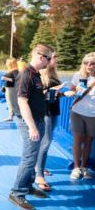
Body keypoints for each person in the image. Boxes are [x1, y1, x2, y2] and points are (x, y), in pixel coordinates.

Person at [8, 44, 53, 210]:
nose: (49, 62)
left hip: (38, 120)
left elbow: (33, 97)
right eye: (49, 58)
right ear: (41, 57)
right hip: (30, 122)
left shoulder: (35, 74)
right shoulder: (26, 74)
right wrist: (32, 127)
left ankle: (27, 186)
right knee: (29, 158)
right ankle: (17, 192)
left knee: (32, 157)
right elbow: (22, 101)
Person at [34, 51, 62, 191]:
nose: (56, 59)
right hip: (46, 113)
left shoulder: (53, 74)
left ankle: (39, 167)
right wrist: (52, 90)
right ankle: (39, 175)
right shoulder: (40, 75)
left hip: (54, 111)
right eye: (54, 57)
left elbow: (54, 95)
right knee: (45, 142)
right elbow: (39, 94)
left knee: (46, 142)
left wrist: (63, 93)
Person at [66, 52, 95, 180]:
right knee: (77, 141)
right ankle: (76, 168)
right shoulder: (78, 75)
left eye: (92, 63)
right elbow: (71, 91)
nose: (89, 65)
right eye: (86, 63)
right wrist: (74, 90)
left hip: (93, 115)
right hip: (77, 112)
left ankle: (84, 167)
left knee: (88, 142)